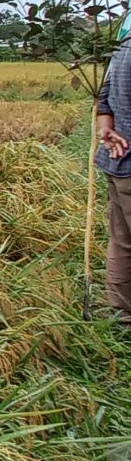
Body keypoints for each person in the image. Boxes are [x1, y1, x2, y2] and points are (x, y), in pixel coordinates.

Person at [97, 36, 131, 325]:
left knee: (122, 242)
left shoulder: (124, 44)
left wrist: (107, 132)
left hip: (117, 159)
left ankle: (121, 318)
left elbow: (103, 97)